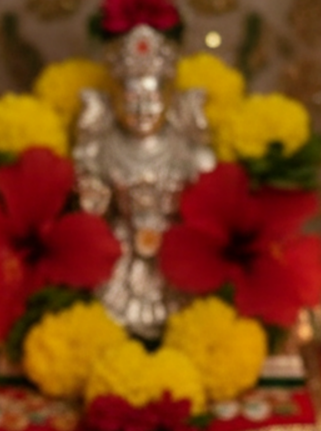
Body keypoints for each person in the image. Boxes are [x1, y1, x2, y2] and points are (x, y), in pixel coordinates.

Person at [73, 24, 215, 341]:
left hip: (175, 254)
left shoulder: (190, 151)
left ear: (168, 99)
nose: (141, 110)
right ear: (115, 100)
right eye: (132, 98)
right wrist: (92, 196)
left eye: (150, 99)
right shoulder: (101, 148)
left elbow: (210, 211)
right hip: (120, 251)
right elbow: (92, 211)